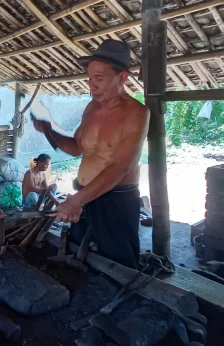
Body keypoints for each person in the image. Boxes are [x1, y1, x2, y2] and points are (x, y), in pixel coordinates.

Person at [32, 39, 149, 269]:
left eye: (99, 78)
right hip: (86, 196)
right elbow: (77, 147)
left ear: (122, 77)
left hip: (116, 201)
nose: (91, 85)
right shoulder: (91, 108)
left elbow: (120, 167)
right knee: (80, 260)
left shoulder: (136, 113)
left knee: (118, 266)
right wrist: (48, 131)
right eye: (89, 78)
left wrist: (76, 201)